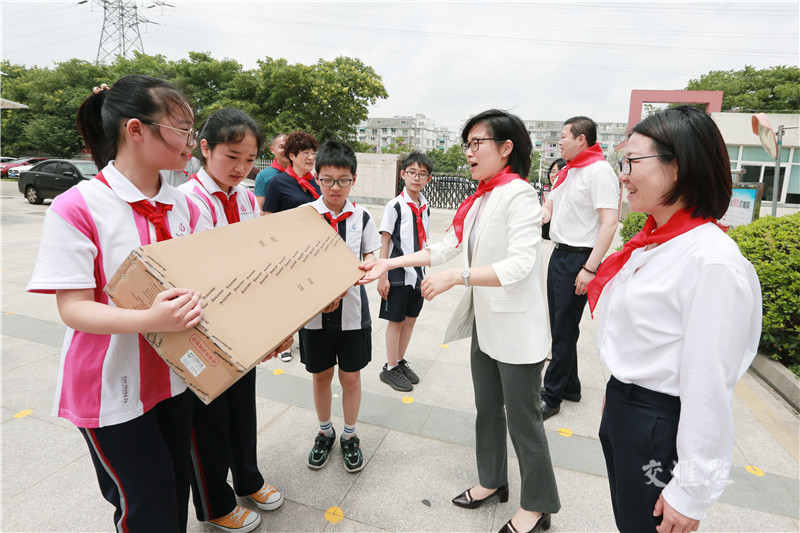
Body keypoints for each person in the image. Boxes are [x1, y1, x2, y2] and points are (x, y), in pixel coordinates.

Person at [360, 109, 560, 533]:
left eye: (477, 143)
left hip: (518, 330)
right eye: (466, 144)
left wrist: (458, 277)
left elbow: (522, 264)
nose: (469, 152)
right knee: (487, 409)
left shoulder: (520, 194)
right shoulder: (481, 197)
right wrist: (387, 263)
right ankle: (492, 479)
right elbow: (446, 245)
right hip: (486, 325)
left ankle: (538, 504)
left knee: (523, 418)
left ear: (506, 148)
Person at [26, 75, 210, 532]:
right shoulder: (78, 206)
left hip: (173, 377)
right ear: (135, 130)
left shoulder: (183, 205)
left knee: (174, 495)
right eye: (182, 127)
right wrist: (151, 318)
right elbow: (73, 309)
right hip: (111, 385)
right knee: (144, 508)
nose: (193, 139)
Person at [588, 106, 762, 533]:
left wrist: (692, 489)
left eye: (632, 162)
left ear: (679, 167)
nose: (623, 175)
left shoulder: (711, 261)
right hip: (628, 412)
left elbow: (709, 381)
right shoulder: (656, 243)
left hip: (659, 426)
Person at [178, 108, 290, 533]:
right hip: (202, 327)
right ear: (205, 149)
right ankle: (215, 503)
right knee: (208, 419)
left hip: (241, 323)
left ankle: (248, 476)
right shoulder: (187, 200)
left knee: (242, 409)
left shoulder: (244, 196)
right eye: (232, 157)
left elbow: (253, 256)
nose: (241, 169)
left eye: (249, 159)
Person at [299, 140, 379, 473]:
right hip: (313, 316)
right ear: (316, 177)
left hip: (352, 314)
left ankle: (349, 435)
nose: (335, 187)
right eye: (328, 179)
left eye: (343, 180)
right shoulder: (304, 217)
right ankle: (324, 431)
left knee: (351, 377)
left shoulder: (362, 216)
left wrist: (369, 268)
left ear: (354, 179)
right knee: (320, 377)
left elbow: (372, 254)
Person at [539, 116, 619, 420]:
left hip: (578, 259)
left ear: (581, 138)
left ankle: (552, 395)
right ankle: (570, 385)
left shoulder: (599, 172)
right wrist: (545, 212)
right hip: (558, 255)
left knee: (562, 329)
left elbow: (609, 222)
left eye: (563, 136)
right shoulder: (568, 172)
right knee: (561, 325)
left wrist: (589, 268)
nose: (559, 142)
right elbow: (552, 203)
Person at [376, 151, 433, 392]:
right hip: (397, 274)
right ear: (403, 175)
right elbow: (385, 240)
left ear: (428, 179)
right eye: (412, 173)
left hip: (418, 275)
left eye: (422, 174)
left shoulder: (425, 206)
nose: (416, 178)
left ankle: (399, 361)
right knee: (395, 321)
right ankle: (389, 368)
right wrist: (382, 274)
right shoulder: (395, 205)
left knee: (410, 320)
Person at [262, 130, 321, 362]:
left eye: (313, 153)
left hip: (312, 249)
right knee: (288, 298)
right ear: (292, 155)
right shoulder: (278, 182)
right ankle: (285, 343)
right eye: (305, 153)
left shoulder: (316, 181)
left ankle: (307, 340)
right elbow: (268, 218)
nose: (310, 157)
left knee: (307, 296)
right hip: (287, 250)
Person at [254, 133, 288, 212]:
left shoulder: (301, 174)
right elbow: (259, 208)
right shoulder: (263, 176)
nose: (286, 150)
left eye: (289, 147)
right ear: (272, 149)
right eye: (282, 147)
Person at [541, 158, 565, 241]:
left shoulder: (567, 198)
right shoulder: (546, 194)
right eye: (553, 171)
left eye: (560, 172)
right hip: (545, 243)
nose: (555, 175)